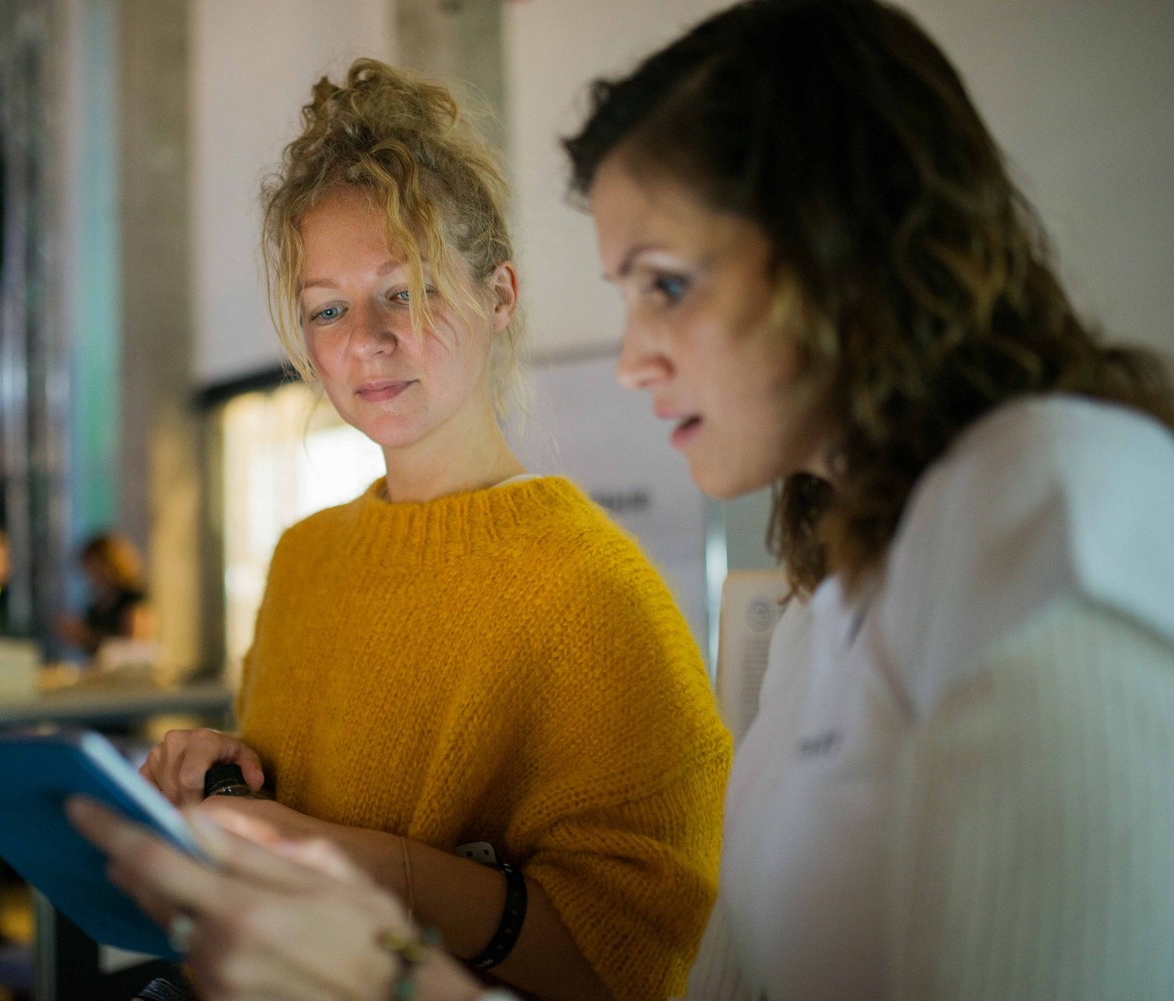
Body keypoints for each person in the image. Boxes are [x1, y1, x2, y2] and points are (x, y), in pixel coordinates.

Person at [70, 1, 1174, 999]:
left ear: (843, 252)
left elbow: (650, 953)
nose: (634, 354)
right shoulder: (841, 594)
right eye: (326, 309)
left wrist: (391, 969)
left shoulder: (1054, 573)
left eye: (668, 285)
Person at [135, 58, 731, 1001]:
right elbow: (290, 807)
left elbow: (635, 961)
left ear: (500, 295)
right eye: (328, 308)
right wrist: (224, 777)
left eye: (406, 289)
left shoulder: (594, 590)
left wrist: (362, 867)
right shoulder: (303, 560)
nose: (365, 338)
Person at [58, 531, 153, 657]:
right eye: (88, 567)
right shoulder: (96, 605)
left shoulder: (133, 599)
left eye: (95, 566)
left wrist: (85, 636)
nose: (91, 574)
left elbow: (136, 647)